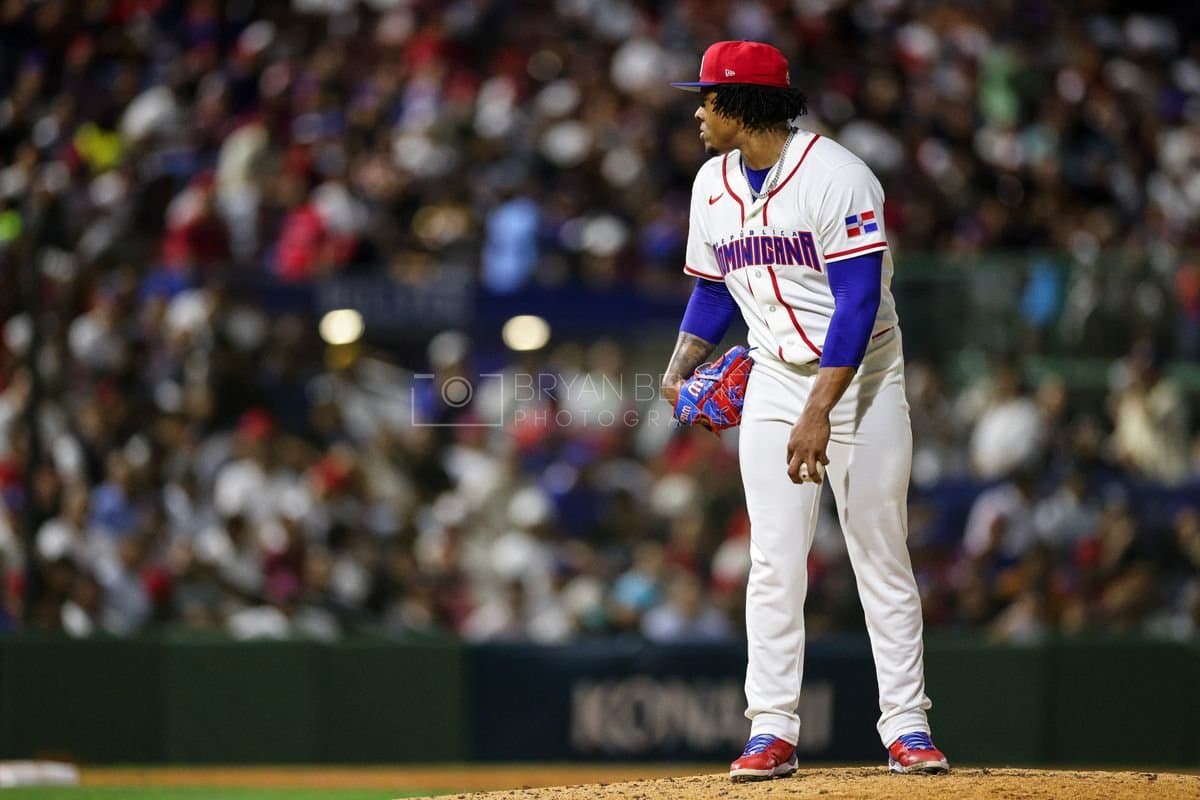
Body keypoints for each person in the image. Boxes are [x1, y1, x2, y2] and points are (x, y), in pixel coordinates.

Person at [660, 40, 949, 780]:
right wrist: (681, 364)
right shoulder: (711, 183)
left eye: (709, 97)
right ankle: (772, 730)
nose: (698, 110)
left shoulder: (837, 176)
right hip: (773, 376)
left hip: (863, 377)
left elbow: (856, 303)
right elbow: (712, 285)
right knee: (772, 559)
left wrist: (821, 407)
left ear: (744, 104)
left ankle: (907, 727)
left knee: (878, 549)